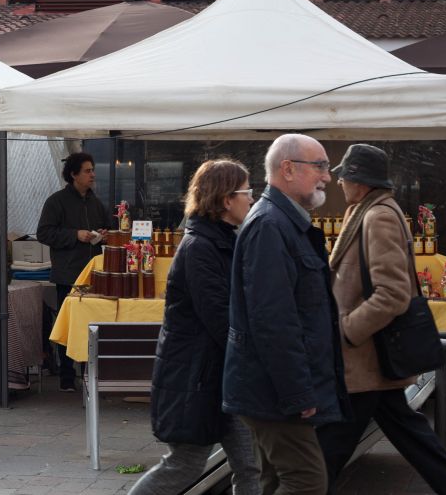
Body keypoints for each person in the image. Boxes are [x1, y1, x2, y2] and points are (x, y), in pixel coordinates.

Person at [315, 144, 446, 494]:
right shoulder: (366, 211)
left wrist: (346, 331)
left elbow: (392, 293)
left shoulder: (378, 216)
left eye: (344, 176)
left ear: (359, 180)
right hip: (370, 363)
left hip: (367, 358)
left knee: (324, 455)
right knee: (418, 446)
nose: (339, 183)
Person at [223, 133, 348, 495]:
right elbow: (273, 321)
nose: (327, 176)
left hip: (272, 389)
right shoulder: (270, 226)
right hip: (275, 393)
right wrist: (297, 394)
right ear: (288, 169)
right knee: (306, 480)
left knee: (275, 480)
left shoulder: (282, 222)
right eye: (321, 166)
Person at [130, 159, 260, 495]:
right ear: (226, 199)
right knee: (185, 463)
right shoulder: (200, 247)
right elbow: (221, 317)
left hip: (220, 376)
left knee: (251, 467)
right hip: (199, 378)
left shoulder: (222, 240)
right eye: (247, 192)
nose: (253, 199)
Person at [37, 151, 108, 391]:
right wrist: (74, 235)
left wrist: (103, 235)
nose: (92, 175)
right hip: (68, 274)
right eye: (87, 171)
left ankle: (90, 373)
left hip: (94, 275)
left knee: (92, 324)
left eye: (92, 170)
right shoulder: (56, 201)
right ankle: (67, 377)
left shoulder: (96, 202)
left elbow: (107, 228)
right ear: (74, 174)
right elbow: (44, 233)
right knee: (68, 325)